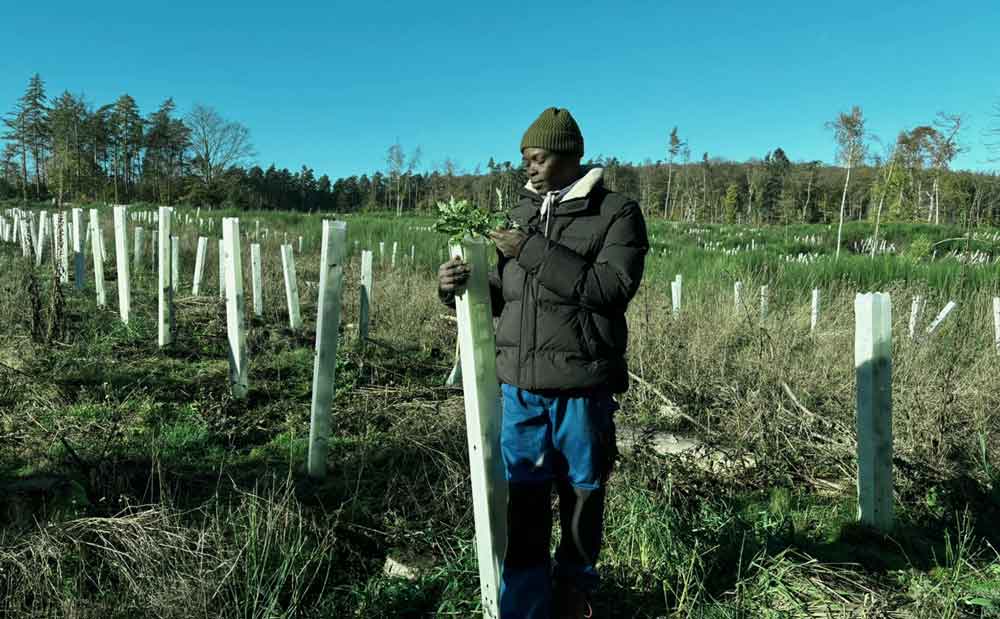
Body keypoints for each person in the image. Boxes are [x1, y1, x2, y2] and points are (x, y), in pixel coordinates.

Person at [438, 107, 648, 619]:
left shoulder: (615, 212)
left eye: (538, 157)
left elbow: (610, 289)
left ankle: (574, 590)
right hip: (521, 390)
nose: (528, 167)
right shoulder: (515, 217)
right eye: (524, 159)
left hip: (581, 386)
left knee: (582, 493)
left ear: (570, 156)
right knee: (525, 501)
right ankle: (524, 606)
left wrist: (530, 249)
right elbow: (506, 296)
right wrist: (456, 289)